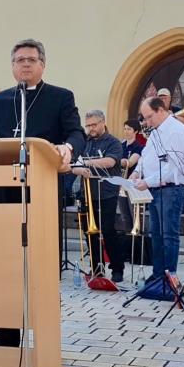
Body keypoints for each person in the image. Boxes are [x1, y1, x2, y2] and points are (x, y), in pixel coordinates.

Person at [0, 38, 85, 348]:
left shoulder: (60, 97)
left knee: (40, 269)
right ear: (12, 66)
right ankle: (6, 341)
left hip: (42, 193)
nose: (25, 64)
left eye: (31, 60)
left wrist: (67, 146)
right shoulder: (0, 100)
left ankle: (46, 344)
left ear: (42, 65)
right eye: (19, 60)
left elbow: (76, 132)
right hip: (3, 194)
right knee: (5, 268)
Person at [128, 97, 184, 283]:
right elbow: (146, 155)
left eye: (149, 117)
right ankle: (157, 275)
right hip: (155, 188)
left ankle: (168, 277)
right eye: (145, 118)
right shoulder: (156, 131)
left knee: (168, 235)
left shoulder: (176, 131)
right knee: (155, 234)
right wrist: (137, 172)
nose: (146, 122)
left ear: (161, 111)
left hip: (171, 189)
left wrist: (147, 181)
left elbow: (173, 168)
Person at [70, 110, 125, 282]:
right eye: (88, 125)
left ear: (103, 122)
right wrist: (80, 169)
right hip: (87, 194)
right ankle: (97, 268)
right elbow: (73, 166)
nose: (91, 129)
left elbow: (110, 161)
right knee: (90, 232)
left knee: (108, 231)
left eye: (94, 125)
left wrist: (85, 163)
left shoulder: (113, 142)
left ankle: (117, 268)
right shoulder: (85, 142)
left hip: (107, 193)